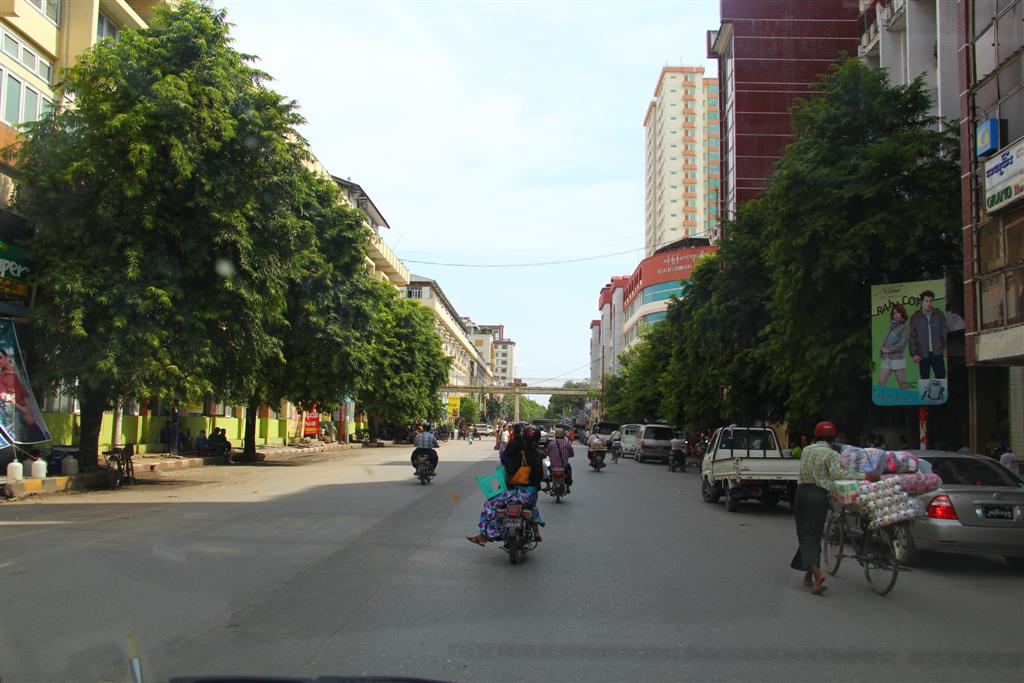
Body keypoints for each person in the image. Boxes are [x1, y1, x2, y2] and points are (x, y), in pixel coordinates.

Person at [791, 421, 879, 596]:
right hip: (819, 497)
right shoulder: (831, 454)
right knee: (814, 533)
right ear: (832, 439)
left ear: (816, 437)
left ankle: (817, 576)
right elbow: (840, 474)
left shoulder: (807, 450)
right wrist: (865, 476)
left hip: (802, 494)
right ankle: (809, 575)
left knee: (805, 533)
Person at [466, 424, 545, 545]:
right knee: (532, 507)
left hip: (518, 493)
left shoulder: (519, 453)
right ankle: (535, 531)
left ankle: (484, 535)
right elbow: (544, 475)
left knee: (491, 504)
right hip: (531, 495)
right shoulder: (539, 455)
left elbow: (509, 469)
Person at [908, 290, 948, 380]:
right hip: (923, 354)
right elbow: (912, 337)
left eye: (931, 301)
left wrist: (945, 348)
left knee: (941, 377)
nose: (929, 303)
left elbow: (943, 332)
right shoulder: (915, 317)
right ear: (921, 302)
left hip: (937, 352)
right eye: (926, 301)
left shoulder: (939, 315)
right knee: (925, 379)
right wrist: (914, 354)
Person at [878, 303, 910, 388]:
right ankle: (884, 400)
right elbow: (887, 340)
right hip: (887, 358)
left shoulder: (906, 326)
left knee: (902, 385)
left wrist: (888, 350)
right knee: (881, 383)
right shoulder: (892, 325)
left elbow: (902, 344)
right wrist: (881, 347)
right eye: (894, 313)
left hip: (897, 359)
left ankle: (909, 400)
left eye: (898, 312)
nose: (896, 315)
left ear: (902, 313)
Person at [546, 427, 574, 492]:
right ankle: (567, 487)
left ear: (555, 435)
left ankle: (548, 485)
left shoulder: (551, 443)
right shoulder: (567, 443)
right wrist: (568, 456)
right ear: (563, 435)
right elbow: (572, 454)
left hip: (553, 466)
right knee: (569, 472)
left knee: (546, 472)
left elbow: (547, 453)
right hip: (564, 466)